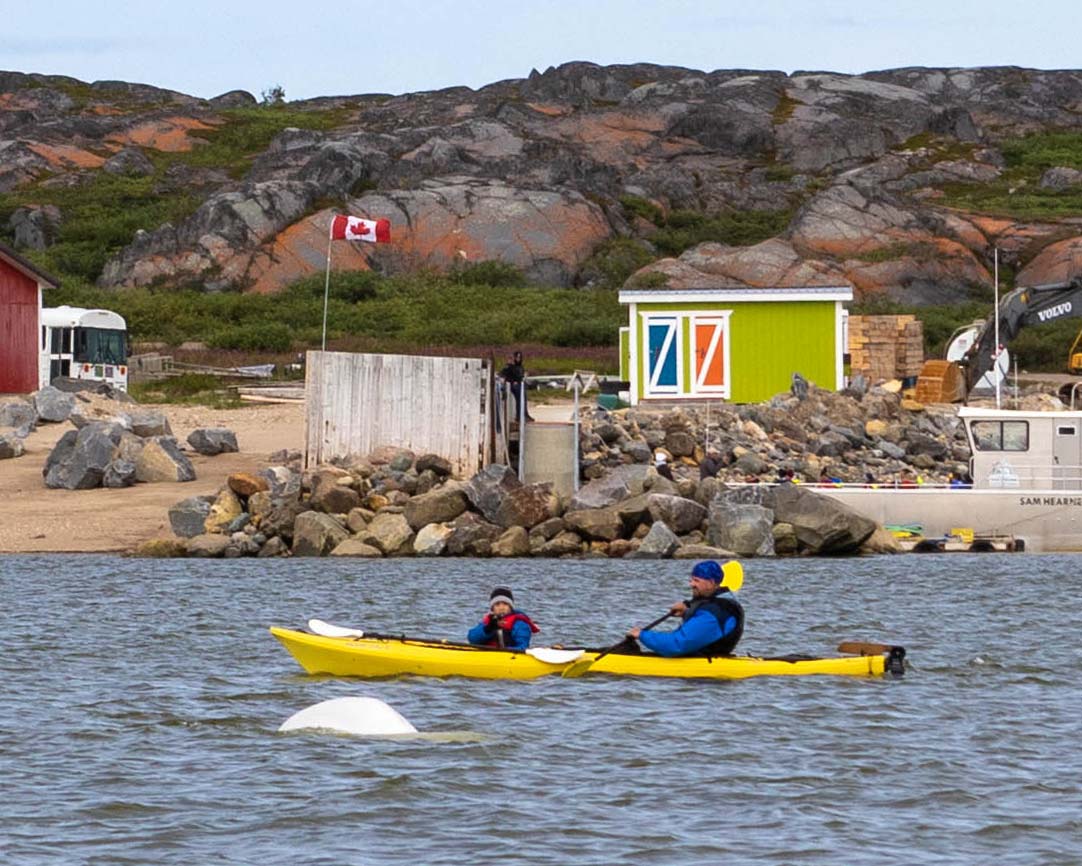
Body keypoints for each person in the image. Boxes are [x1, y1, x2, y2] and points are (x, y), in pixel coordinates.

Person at [626, 560, 744, 657]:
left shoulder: (714, 612)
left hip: (703, 663)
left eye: (696, 580)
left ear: (711, 583)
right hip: (705, 656)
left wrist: (642, 635)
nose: (691, 584)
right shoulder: (719, 603)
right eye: (691, 579)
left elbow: (677, 645)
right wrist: (687, 612)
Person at [467, 586, 539, 650]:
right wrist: (488, 628)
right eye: (497, 605)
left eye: (505, 604)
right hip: (489, 655)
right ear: (492, 609)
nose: (501, 608)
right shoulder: (490, 622)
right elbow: (472, 639)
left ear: (511, 607)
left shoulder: (519, 624)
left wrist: (504, 651)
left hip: (510, 656)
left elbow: (523, 646)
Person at [500, 350, 533, 422]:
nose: (518, 359)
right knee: (520, 394)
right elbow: (505, 375)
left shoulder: (520, 367)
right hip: (512, 385)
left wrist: (523, 377)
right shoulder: (510, 366)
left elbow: (520, 377)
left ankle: (524, 413)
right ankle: (519, 415)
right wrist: (513, 381)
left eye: (520, 357)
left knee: (523, 394)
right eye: (517, 357)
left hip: (519, 384)